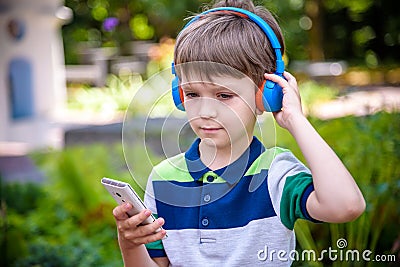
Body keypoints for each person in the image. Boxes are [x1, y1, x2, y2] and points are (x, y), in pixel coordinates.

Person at [112, 0, 366, 266]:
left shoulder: (275, 174)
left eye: (224, 95)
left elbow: (346, 205)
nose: (206, 111)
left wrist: (295, 120)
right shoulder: (163, 180)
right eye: (193, 94)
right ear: (179, 95)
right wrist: (130, 244)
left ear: (265, 96)